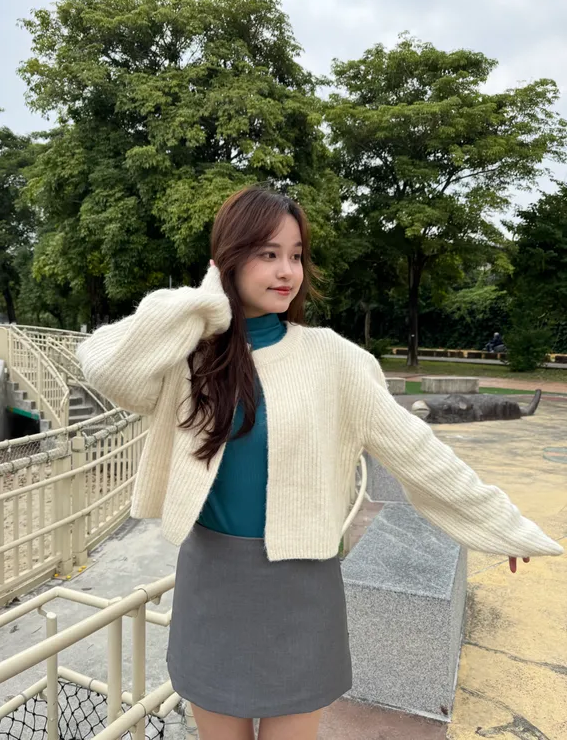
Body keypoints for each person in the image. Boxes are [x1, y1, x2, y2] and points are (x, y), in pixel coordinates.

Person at [76, 185, 563, 740]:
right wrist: (204, 303)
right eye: (268, 253)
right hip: (212, 580)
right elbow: (106, 364)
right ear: (227, 260)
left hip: (301, 584)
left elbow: (419, 453)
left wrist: (501, 524)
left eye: (296, 255)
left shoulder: (335, 359)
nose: (287, 271)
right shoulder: (191, 358)